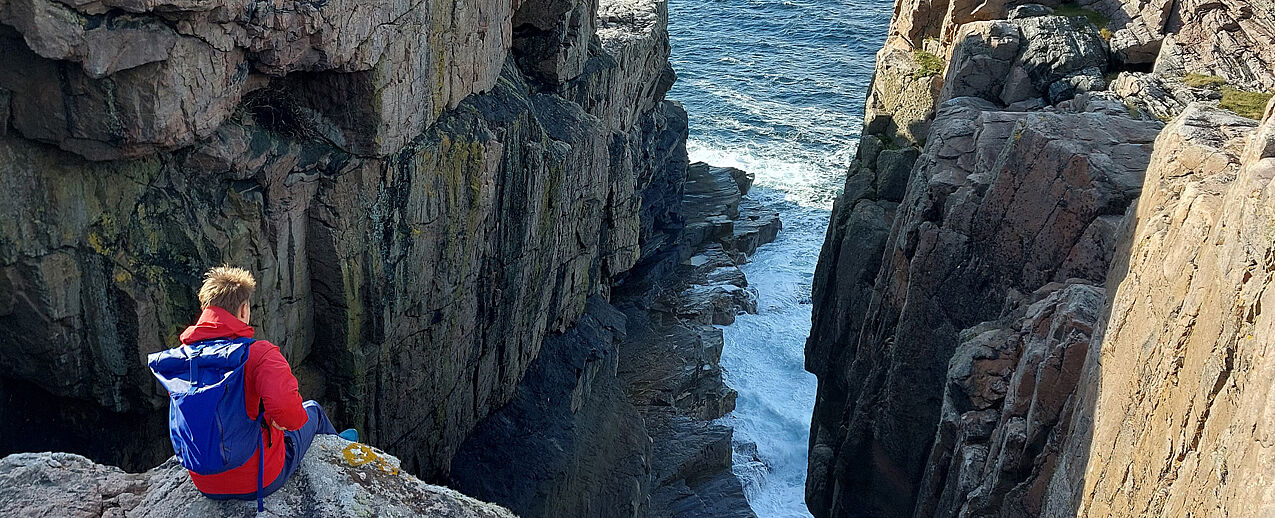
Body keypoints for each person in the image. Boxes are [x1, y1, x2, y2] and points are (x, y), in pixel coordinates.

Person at [151, 266, 354, 506]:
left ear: (205, 310)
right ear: (244, 309)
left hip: (205, 483)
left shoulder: (182, 360)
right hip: (259, 479)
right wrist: (284, 421)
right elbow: (289, 413)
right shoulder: (258, 353)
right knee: (314, 410)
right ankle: (346, 456)